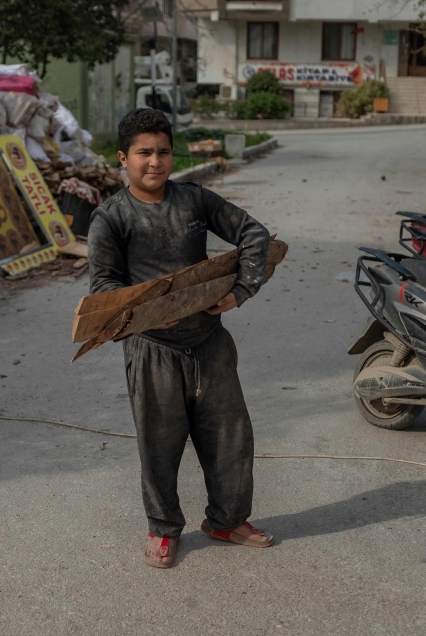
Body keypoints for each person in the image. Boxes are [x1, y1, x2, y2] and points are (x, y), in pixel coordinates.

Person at [88, 108, 274, 569]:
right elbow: (104, 287)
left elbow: (254, 234)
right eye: (143, 153)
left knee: (229, 436)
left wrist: (240, 291)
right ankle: (164, 528)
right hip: (152, 350)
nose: (155, 162)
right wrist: (146, 314)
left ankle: (227, 520)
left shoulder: (194, 201)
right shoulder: (111, 218)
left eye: (163, 152)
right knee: (159, 443)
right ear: (123, 158)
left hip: (210, 341)